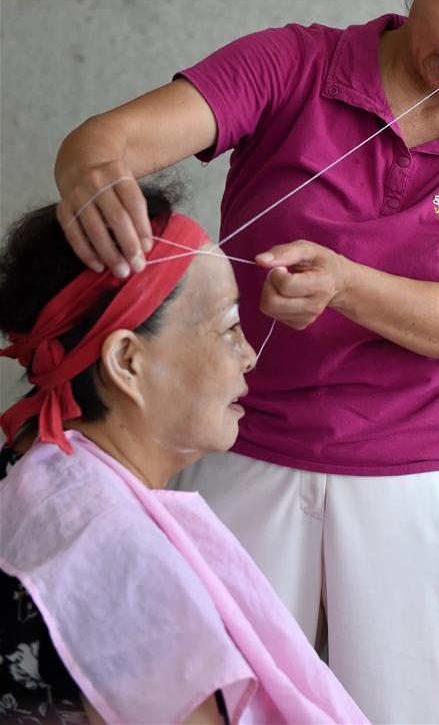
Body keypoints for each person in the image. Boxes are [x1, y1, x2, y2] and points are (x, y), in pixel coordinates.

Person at [52, 0, 439, 724]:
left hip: (425, 478)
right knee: (221, 705)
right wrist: (91, 168)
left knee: (435, 709)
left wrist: (345, 284)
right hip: (243, 449)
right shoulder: (290, 65)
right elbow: (108, 140)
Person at [0, 186, 368, 725]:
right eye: (228, 327)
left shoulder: (24, 470)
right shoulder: (122, 563)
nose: (247, 356)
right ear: (127, 360)